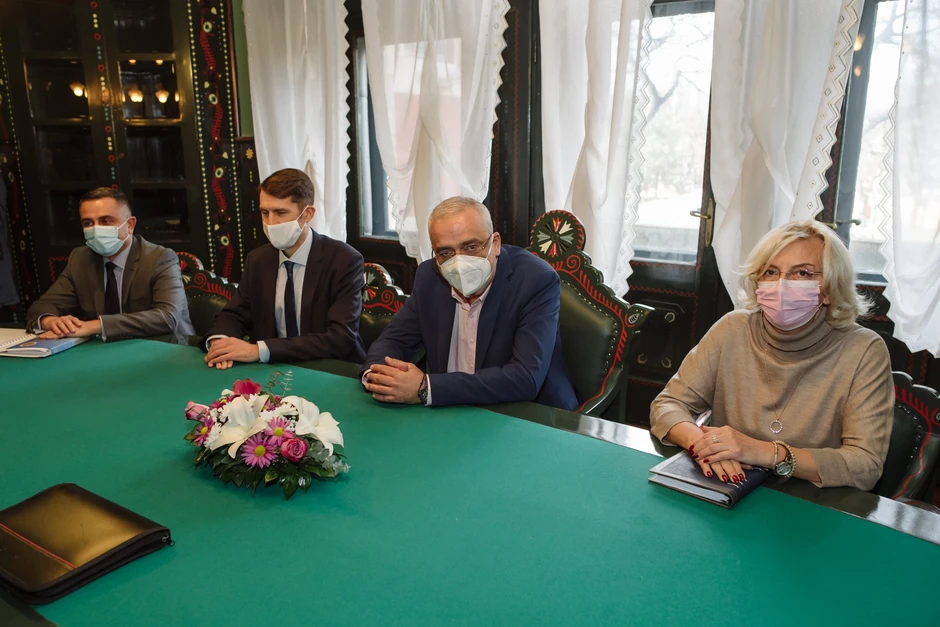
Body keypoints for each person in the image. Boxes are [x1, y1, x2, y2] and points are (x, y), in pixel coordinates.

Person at [650, 220, 893, 491]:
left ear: (829, 288)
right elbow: (668, 404)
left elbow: (865, 465)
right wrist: (703, 446)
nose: (781, 284)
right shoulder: (732, 328)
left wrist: (764, 452)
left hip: (809, 500)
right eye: (771, 271)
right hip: (727, 487)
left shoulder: (864, 349)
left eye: (802, 273)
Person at [361, 196, 578, 410]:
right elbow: (394, 340)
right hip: (449, 411)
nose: (459, 262)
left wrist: (426, 388)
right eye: (445, 252)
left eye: (471, 247)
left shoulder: (535, 280)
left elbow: (525, 377)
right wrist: (378, 375)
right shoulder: (429, 277)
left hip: (527, 415)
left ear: (495, 244)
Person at [204, 168, 365, 368]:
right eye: (265, 213)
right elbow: (235, 314)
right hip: (272, 370)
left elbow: (340, 338)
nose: (271, 223)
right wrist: (221, 342)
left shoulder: (344, 260)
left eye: (280, 212)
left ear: (307, 214)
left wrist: (259, 350)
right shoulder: (258, 259)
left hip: (329, 368)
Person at [26, 187, 194, 340]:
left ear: (130, 225)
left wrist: (93, 326)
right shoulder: (80, 259)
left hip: (167, 347)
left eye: (105, 221)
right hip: (108, 351)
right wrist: (52, 321)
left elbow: (166, 318)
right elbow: (42, 305)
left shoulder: (160, 258)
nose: (95, 229)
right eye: (88, 223)